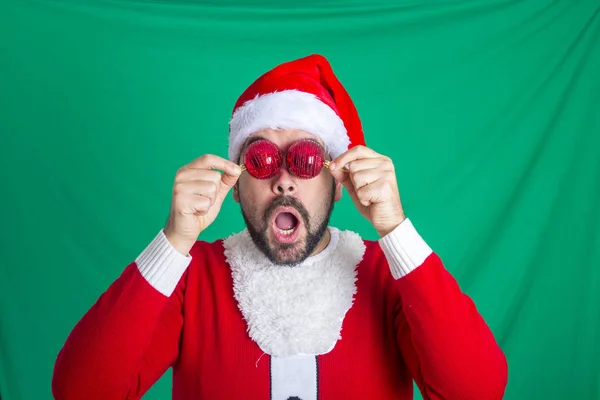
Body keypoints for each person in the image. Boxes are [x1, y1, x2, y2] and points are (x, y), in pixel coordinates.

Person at [52, 54, 508, 400]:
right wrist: (173, 242)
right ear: (234, 183)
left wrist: (396, 230)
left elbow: (477, 389)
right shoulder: (194, 276)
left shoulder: (384, 275)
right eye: (261, 158)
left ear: (337, 183)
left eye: (307, 159)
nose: (284, 178)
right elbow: (81, 390)